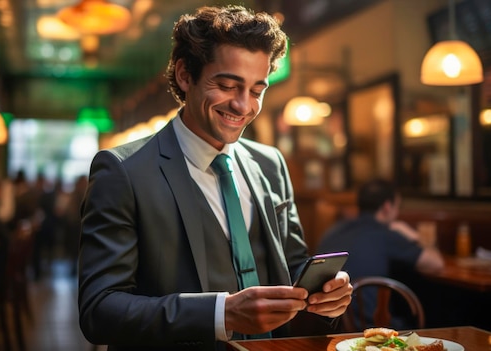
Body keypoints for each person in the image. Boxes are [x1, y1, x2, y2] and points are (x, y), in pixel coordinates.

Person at [77, 5, 352, 350]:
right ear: (184, 75)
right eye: (226, 85)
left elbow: (293, 266)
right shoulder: (123, 171)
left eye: (256, 90)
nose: (242, 106)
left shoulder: (271, 164)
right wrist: (222, 314)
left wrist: (327, 294)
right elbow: (99, 309)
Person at [316, 178, 444, 330]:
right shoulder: (386, 234)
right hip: (374, 330)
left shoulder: (333, 231)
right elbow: (437, 263)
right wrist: (412, 235)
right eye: (397, 207)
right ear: (387, 207)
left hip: (328, 328)